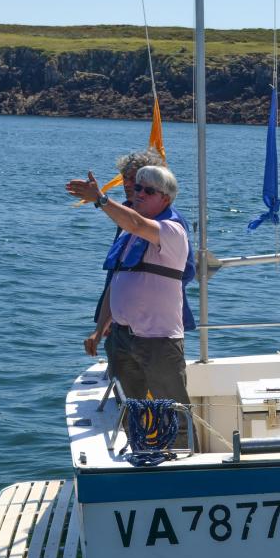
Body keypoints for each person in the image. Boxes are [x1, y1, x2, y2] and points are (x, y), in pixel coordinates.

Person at [67, 164, 191, 405]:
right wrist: (100, 329)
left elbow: (136, 223)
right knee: (128, 409)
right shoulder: (129, 234)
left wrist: (101, 199)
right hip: (122, 338)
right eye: (137, 188)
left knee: (173, 413)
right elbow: (116, 283)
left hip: (158, 341)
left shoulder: (171, 230)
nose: (139, 193)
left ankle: (181, 434)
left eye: (149, 191)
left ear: (165, 199)